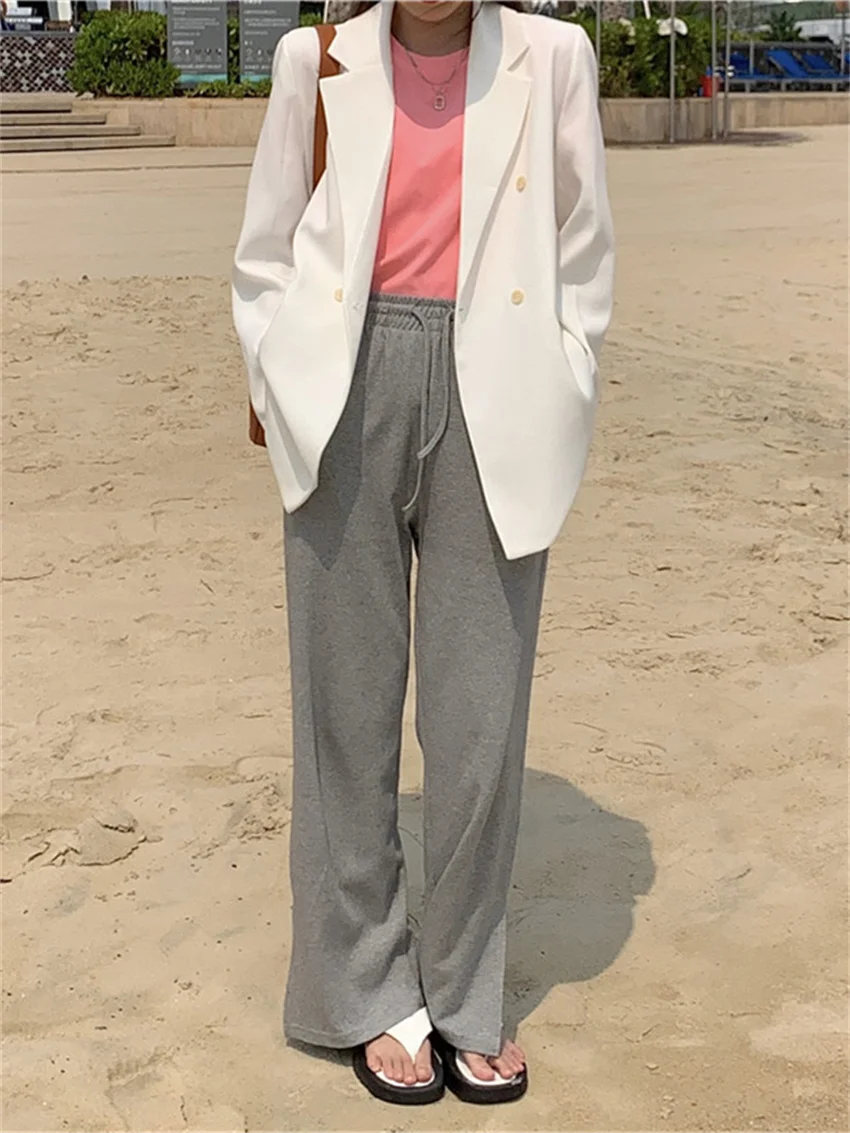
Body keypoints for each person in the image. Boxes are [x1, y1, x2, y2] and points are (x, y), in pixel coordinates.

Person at [232, 0, 613, 1107]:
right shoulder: (315, 58)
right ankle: (360, 987)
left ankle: (464, 987)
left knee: (479, 711)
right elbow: (265, 249)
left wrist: (569, 374)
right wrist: (279, 378)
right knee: (344, 707)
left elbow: (584, 241)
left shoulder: (555, 56)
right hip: (343, 387)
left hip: (501, 387)